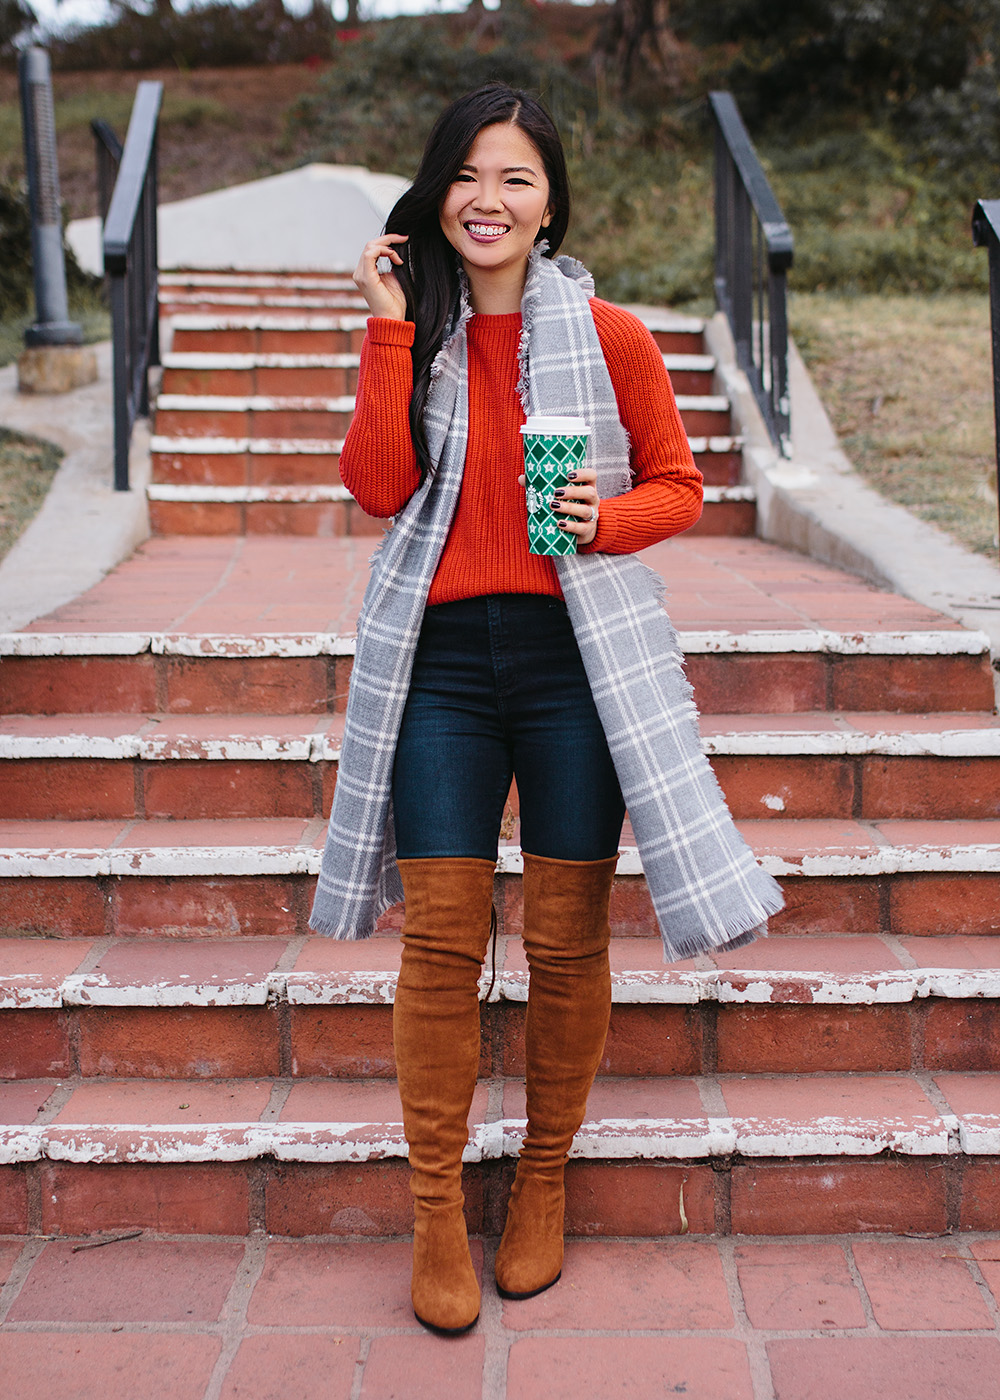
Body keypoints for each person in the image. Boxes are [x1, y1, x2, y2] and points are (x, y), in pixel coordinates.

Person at [310, 82, 783, 1336]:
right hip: (444, 665)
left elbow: (678, 484)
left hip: (578, 663)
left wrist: (605, 517)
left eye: (515, 177)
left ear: (550, 202)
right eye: (467, 175)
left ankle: (540, 1184)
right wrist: (385, 328)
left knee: (570, 941)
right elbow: (373, 487)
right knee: (441, 943)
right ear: (437, 195)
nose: (488, 198)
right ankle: (430, 1213)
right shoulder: (419, 334)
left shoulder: (612, 336)